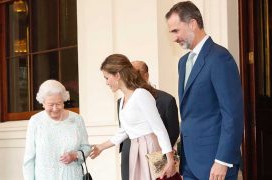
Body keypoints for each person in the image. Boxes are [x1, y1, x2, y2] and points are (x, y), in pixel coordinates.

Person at [165, 1, 244, 180]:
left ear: (193, 23)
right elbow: (190, 113)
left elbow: (232, 115)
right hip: (190, 163)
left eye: (176, 31)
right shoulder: (183, 63)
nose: (173, 38)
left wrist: (223, 160)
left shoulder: (219, 58)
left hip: (215, 163)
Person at [89, 54, 176, 180]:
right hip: (136, 149)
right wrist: (101, 147)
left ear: (117, 75)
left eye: (107, 77)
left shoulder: (141, 94)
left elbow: (159, 129)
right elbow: (124, 131)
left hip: (150, 148)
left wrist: (170, 160)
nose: (106, 82)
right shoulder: (123, 100)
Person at [118, 60, 180, 180]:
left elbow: (172, 132)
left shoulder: (166, 100)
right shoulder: (121, 101)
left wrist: (162, 157)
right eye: (130, 72)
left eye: (137, 72)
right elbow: (124, 129)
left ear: (146, 75)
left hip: (156, 157)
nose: (133, 76)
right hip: (130, 156)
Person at [23, 80, 91, 180]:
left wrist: (75, 155)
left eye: (59, 104)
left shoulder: (77, 120)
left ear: (64, 101)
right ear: (43, 103)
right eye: (51, 104)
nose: (55, 108)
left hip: (72, 176)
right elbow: (29, 159)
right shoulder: (35, 121)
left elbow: (86, 148)